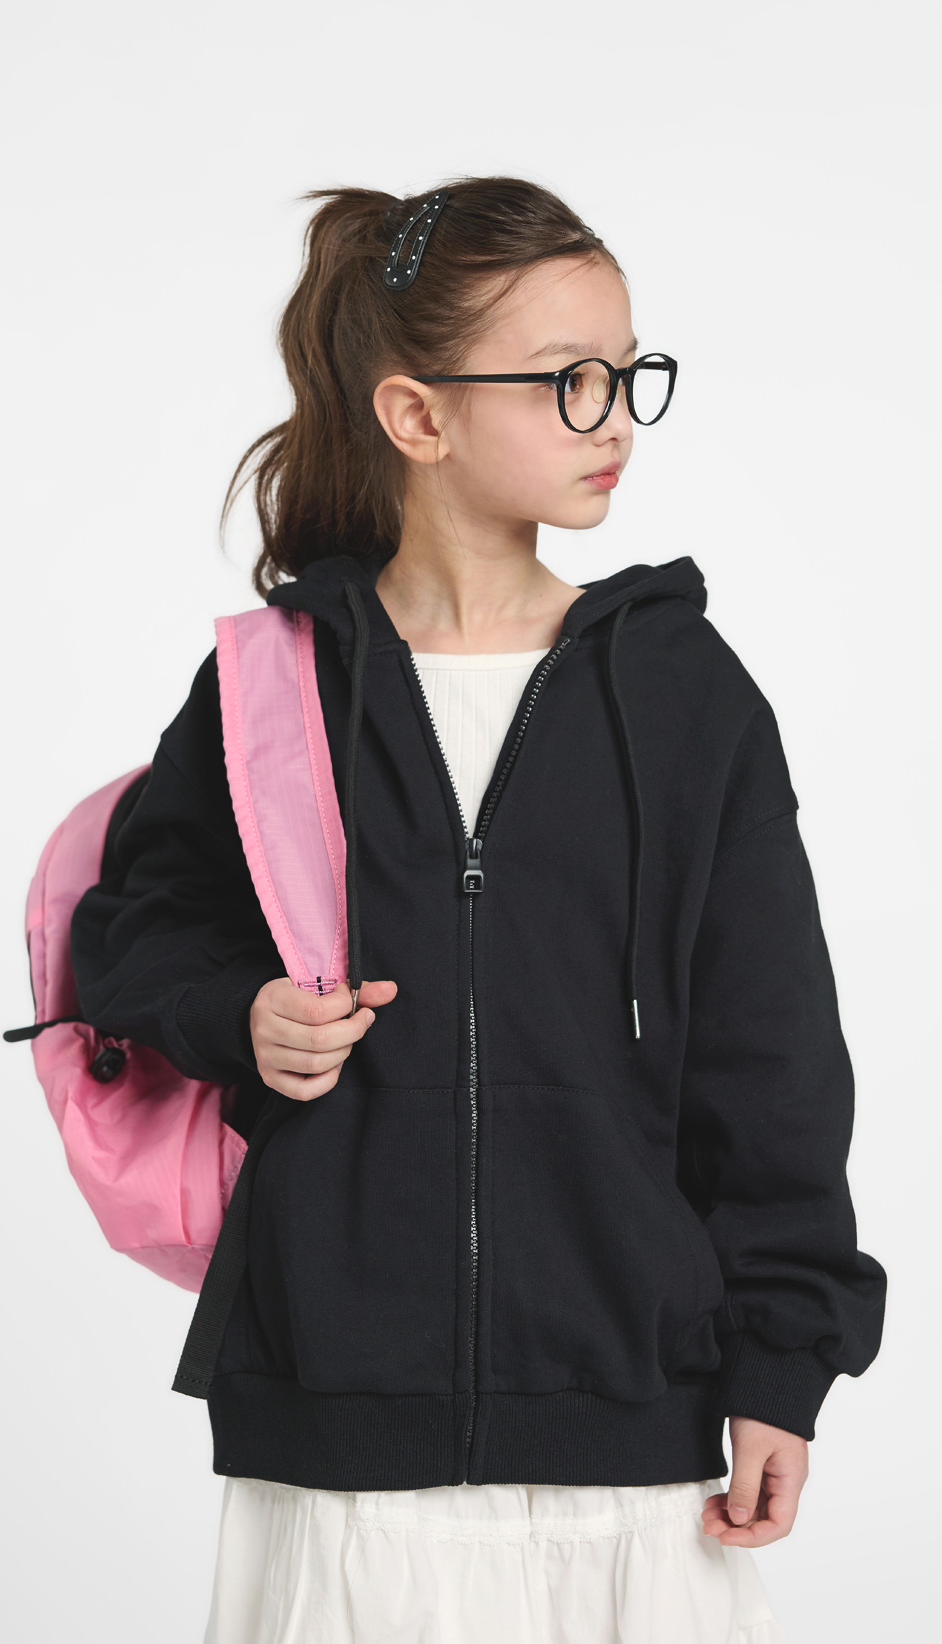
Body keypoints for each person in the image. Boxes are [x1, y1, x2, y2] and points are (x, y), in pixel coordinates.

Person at [69, 176, 886, 1644]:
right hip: (338, 1438)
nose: (613, 415)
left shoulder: (683, 694)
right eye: (568, 380)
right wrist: (239, 1014)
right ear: (417, 416)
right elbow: (130, 932)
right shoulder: (279, 686)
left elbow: (772, 1059)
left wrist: (782, 1365)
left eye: (627, 371)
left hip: (630, 1433)